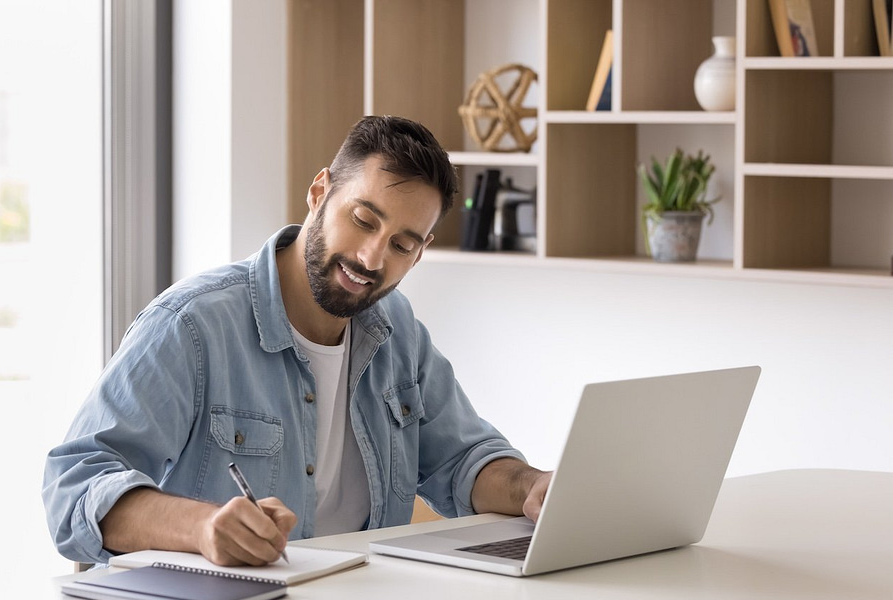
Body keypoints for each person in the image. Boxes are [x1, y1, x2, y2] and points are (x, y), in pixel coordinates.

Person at [42, 115, 551, 568]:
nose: (373, 258)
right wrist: (198, 529)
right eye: (363, 220)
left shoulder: (397, 331)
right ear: (319, 192)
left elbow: (462, 461)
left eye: (401, 244)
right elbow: (74, 489)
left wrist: (534, 489)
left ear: (420, 253)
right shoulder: (193, 325)